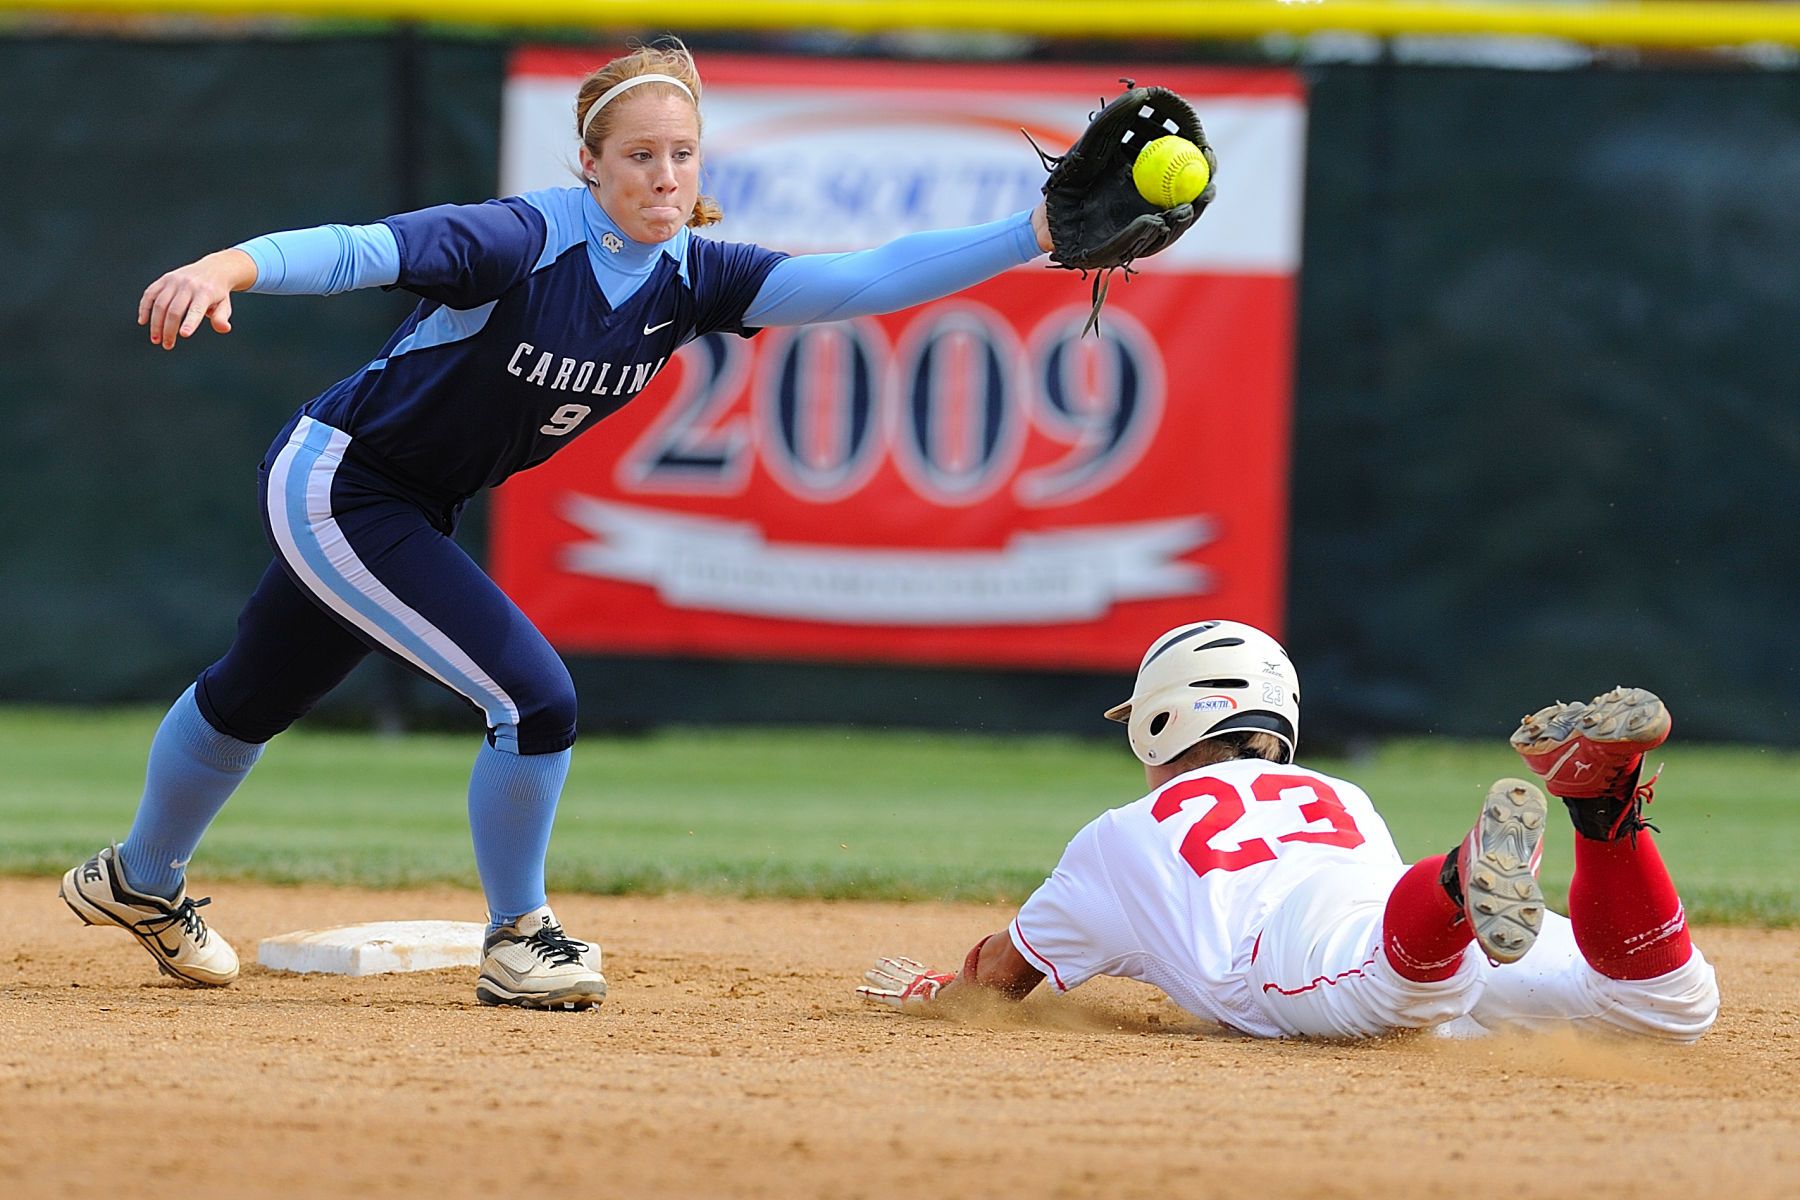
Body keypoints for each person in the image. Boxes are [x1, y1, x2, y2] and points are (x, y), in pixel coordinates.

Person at [60, 40, 1067, 1011]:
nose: (664, 175)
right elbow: (364, 249)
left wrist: (1033, 235)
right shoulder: (521, 239)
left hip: (414, 502)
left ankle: (139, 877)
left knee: (255, 690)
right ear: (589, 162)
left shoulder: (692, 277)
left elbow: (861, 278)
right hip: (342, 483)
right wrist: (229, 267)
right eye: (639, 154)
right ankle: (519, 937)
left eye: (681, 154)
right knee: (533, 699)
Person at [858, 620, 1719, 1042]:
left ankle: (1460, 879)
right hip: (1384, 916)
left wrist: (933, 992)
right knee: (1668, 1009)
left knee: (1402, 996)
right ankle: (1604, 817)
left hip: (1305, 945)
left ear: (1161, 723)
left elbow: (999, 978)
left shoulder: (1119, 835)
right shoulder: (1335, 789)